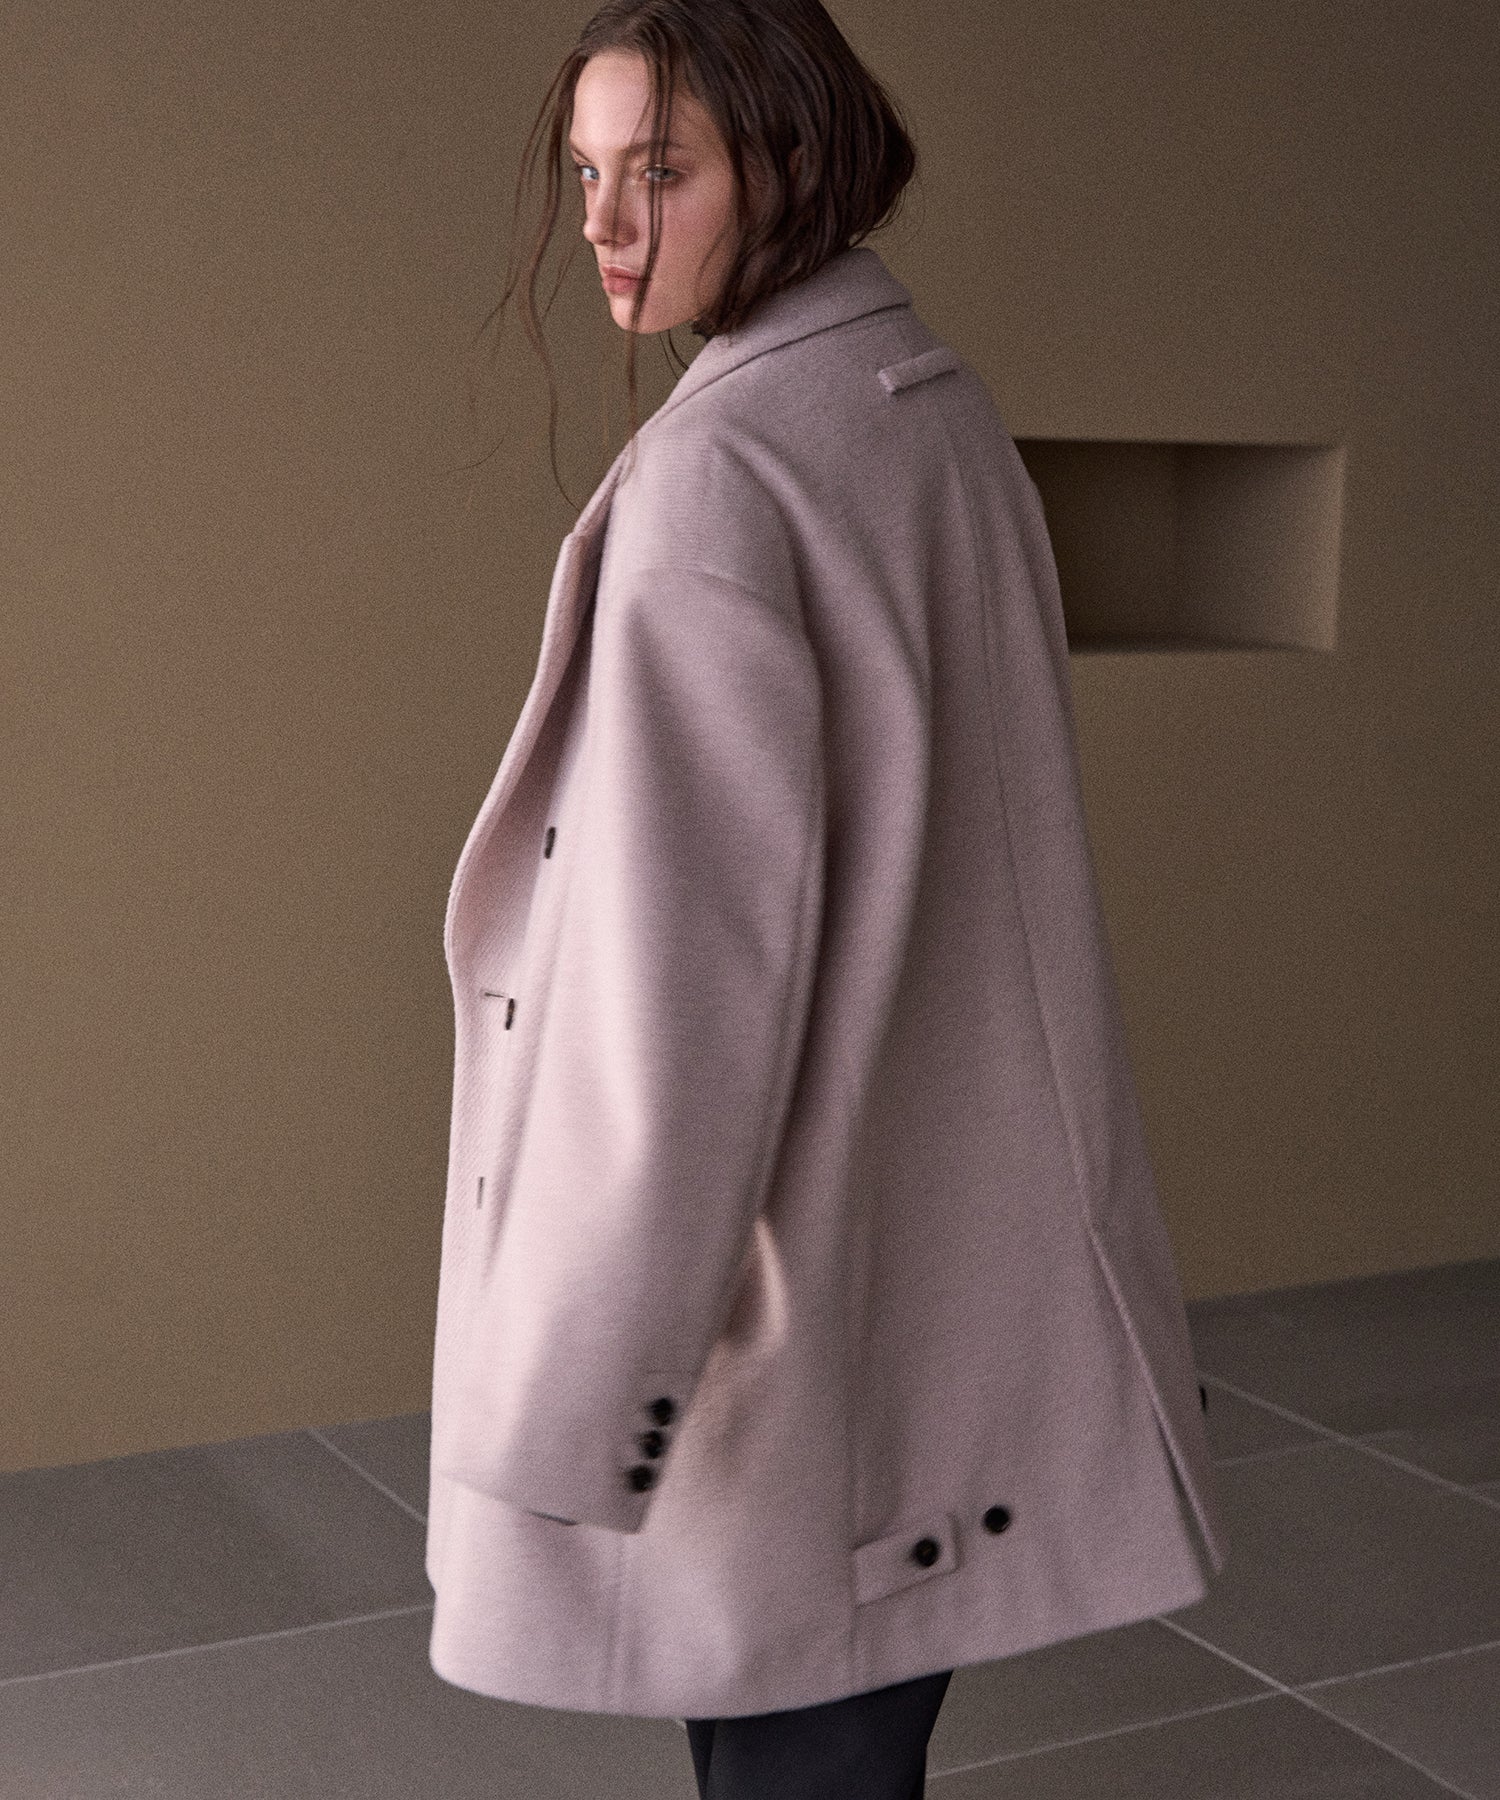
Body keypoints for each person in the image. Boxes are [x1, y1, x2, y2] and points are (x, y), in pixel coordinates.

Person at [424, 3, 1228, 1796]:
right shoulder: (927, 399)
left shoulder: (719, 477)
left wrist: (571, 1406)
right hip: (934, 1250)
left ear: (788, 164)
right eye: (584, 173)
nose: (603, 225)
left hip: (771, 1294)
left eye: (660, 171)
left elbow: (674, 1006)